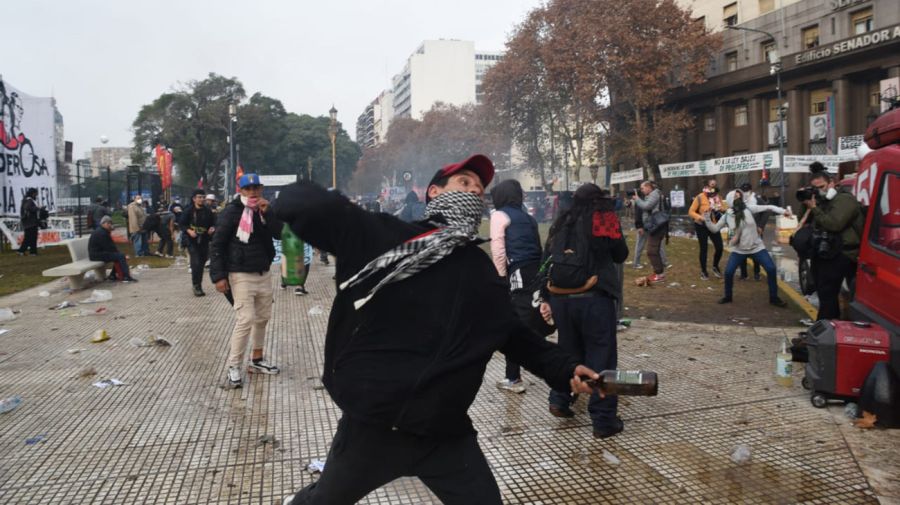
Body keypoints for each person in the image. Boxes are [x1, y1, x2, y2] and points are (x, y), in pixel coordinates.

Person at [274, 154, 599, 505]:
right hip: (376, 428)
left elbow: (511, 334)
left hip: (445, 432)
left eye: (479, 189)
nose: (474, 191)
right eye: (464, 183)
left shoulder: (479, 268)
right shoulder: (390, 238)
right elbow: (316, 211)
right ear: (434, 192)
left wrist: (564, 368)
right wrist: (300, 199)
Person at [543, 183, 629, 438]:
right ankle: (603, 420)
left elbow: (546, 258)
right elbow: (620, 254)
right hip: (594, 298)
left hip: (561, 299)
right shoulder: (602, 218)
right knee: (601, 356)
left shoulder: (562, 220)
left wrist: (546, 296)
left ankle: (559, 399)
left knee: (568, 351)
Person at [210, 173, 283, 389]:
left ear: (261, 189)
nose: (252, 192)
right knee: (246, 319)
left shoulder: (264, 209)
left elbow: (278, 234)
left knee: (262, 318)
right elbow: (217, 245)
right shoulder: (231, 212)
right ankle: (234, 367)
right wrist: (219, 276)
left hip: (263, 272)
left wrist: (268, 214)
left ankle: (257, 360)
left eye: (256, 188)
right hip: (239, 274)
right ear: (240, 190)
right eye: (248, 188)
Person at [489, 179, 548, 394]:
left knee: (515, 322)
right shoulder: (529, 218)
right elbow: (538, 246)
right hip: (535, 270)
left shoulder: (498, 215)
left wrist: (501, 278)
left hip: (518, 271)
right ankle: (520, 371)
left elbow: (498, 249)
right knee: (531, 318)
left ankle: (513, 378)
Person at [704, 189, 787, 307]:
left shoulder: (748, 208)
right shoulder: (727, 215)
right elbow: (715, 229)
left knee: (771, 269)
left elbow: (769, 207)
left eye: (740, 196)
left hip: (756, 247)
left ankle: (774, 298)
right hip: (739, 250)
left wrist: (784, 211)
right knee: (728, 272)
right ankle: (728, 296)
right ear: (730, 200)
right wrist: (707, 218)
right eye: (736, 197)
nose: (739, 199)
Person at [802, 162, 864, 320]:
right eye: (816, 188)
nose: (820, 191)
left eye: (822, 187)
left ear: (832, 183)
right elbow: (810, 223)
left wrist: (815, 208)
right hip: (829, 252)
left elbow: (834, 224)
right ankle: (830, 323)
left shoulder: (845, 200)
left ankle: (826, 325)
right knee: (824, 292)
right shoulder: (823, 202)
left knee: (828, 291)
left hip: (843, 253)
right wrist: (808, 205)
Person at [180, 189, 217, 296]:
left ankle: (198, 283)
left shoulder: (208, 211)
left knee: (201, 262)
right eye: (199, 197)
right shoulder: (188, 211)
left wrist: (212, 228)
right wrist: (189, 231)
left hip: (204, 239)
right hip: (191, 240)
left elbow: (214, 222)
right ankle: (197, 286)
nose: (201, 199)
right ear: (194, 199)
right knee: (195, 262)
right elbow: (182, 224)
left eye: (203, 197)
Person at [688, 178, 726, 280]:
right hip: (701, 225)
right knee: (704, 248)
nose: (713, 185)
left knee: (719, 247)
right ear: (707, 186)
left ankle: (715, 266)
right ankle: (704, 271)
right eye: (711, 184)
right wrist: (701, 217)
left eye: (715, 184)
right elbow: (691, 212)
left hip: (713, 225)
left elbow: (722, 208)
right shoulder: (700, 197)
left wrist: (721, 209)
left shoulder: (717, 197)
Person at [632, 181, 667, 283]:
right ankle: (658, 273)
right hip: (655, 226)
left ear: (648, 187)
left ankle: (659, 274)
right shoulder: (654, 194)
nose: (641, 190)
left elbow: (646, 206)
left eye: (642, 188)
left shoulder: (654, 194)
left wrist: (637, 199)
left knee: (651, 251)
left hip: (657, 227)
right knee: (654, 250)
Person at [89, 216, 138, 282]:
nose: (110, 225)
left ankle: (113, 275)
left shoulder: (102, 231)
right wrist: (120, 255)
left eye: (111, 223)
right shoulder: (101, 233)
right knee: (120, 256)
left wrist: (118, 253)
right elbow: (109, 247)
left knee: (119, 256)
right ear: (104, 223)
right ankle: (126, 276)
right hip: (96, 255)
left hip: (97, 253)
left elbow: (110, 246)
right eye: (109, 223)